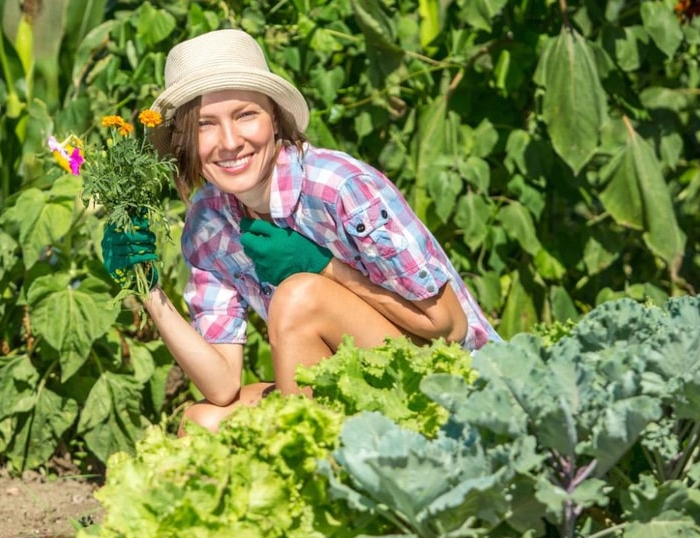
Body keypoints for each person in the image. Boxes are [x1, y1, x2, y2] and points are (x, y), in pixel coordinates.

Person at [103, 28, 500, 434]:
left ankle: (314, 476)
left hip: (453, 383)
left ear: (274, 118)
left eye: (245, 115)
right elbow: (222, 384)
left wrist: (322, 268)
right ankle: (313, 468)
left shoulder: (339, 186)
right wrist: (147, 289)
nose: (229, 142)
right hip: (358, 379)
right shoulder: (209, 220)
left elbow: (450, 327)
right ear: (185, 140)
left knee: (299, 297)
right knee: (204, 421)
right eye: (205, 124)